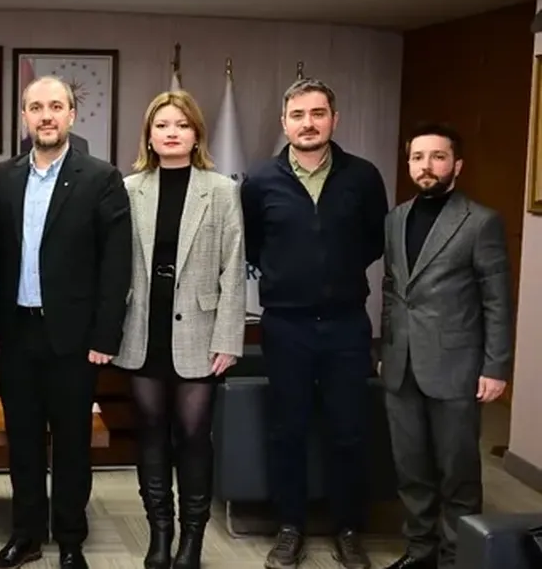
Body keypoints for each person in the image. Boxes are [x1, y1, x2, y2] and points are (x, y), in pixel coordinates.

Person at [240, 77, 389, 569]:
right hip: (286, 325)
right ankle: (290, 528)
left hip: (347, 324)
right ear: (284, 123)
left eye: (318, 113)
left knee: (349, 430)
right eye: (298, 115)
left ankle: (348, 529)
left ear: (334, 119)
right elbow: (254, 245)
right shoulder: (260, 180)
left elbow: (374, 241)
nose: (308, 123)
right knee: (288, 430)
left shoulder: (363, 176)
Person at [0, 76, 131, 569]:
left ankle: (70, 540)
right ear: (24, 116)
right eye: (35, 107)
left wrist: (105, 335)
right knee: (22, 442)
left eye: (55, 106)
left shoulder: (101, 177)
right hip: (16, 333)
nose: (45, 116)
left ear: (71, 114)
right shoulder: (2, 177)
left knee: (71, 444)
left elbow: (116, 264)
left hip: (74, 338)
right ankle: (25, 536)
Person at [113, 90, 246, 569]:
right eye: (162, 125)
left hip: (201, 333)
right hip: (142, 329)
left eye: (182, 125)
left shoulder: (222, 190)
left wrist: (228, 338)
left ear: (196, 135)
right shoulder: (129, 189)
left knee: (192, 436)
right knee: (150, 434)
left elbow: (234, 268)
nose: (172, 133)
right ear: (149, 135)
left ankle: (192, 541)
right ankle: (159, 536)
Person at [380, 124, 512, 569]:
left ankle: (458, 558)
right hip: (401, 366)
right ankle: (421, 553)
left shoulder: (480, 221)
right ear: (409, 164)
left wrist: (496, 366)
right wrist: (386, 348)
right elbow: (392, 289)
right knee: (411, 470)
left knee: (458, 474)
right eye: (418, 157)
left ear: (457, 165)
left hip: (456, 368)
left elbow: (497, 301)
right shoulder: (395, 219)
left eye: (438, 157)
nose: (427, 166)